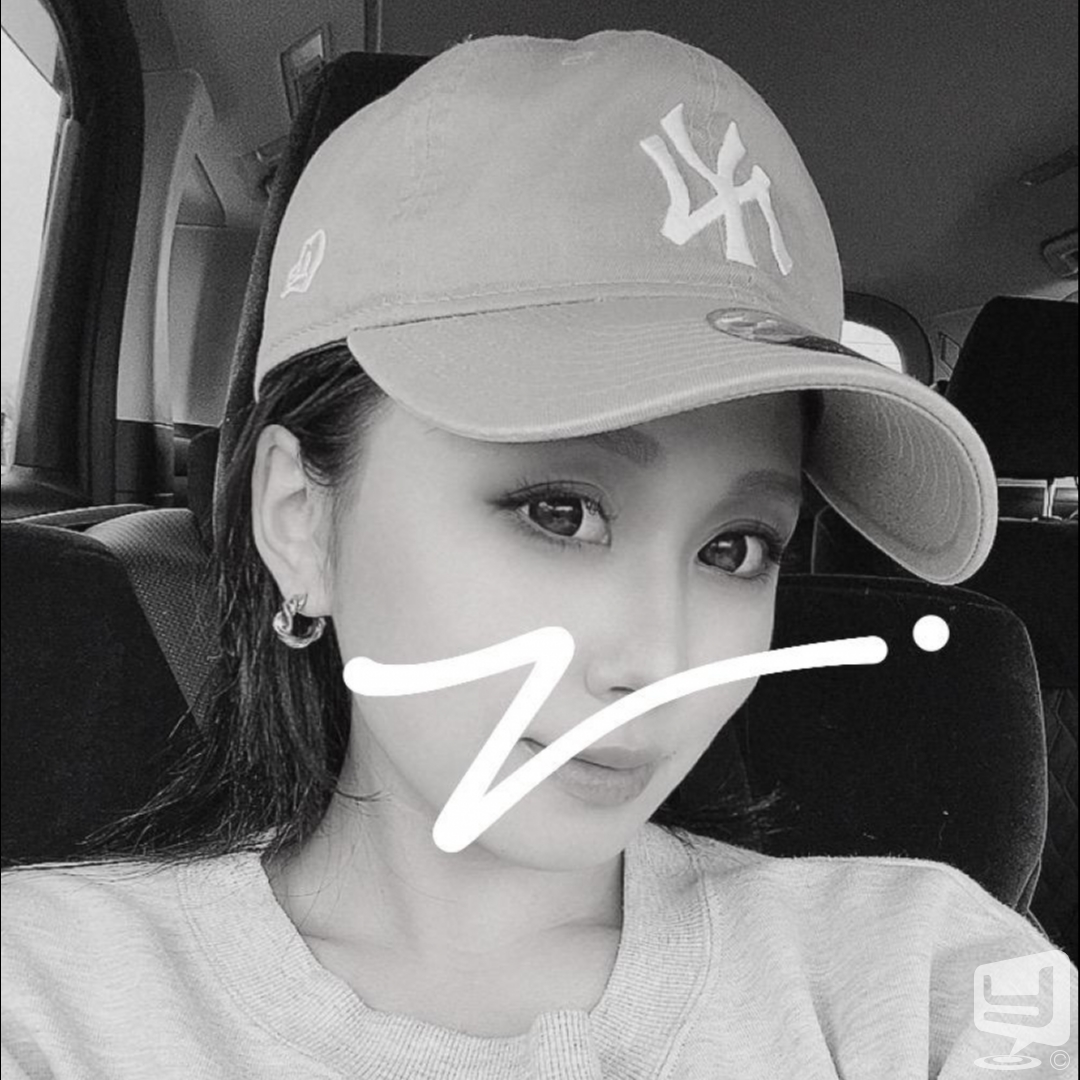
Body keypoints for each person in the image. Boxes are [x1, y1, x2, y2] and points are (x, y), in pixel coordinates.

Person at [2, 28, 1077, 1080]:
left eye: (737, 547)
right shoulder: (47, 999)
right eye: (560, 512)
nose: (660, 662)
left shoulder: (923, 976)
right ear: (301, 520)